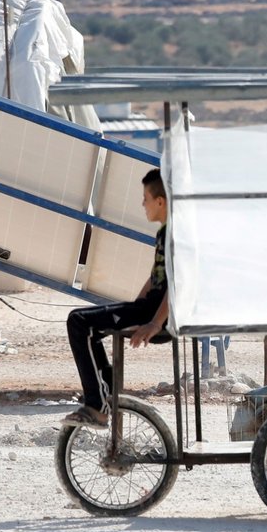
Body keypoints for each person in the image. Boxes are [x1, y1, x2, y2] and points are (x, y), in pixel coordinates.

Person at [61, 168, 170, 429]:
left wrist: (154, 323)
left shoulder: (175, 235)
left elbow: (178, 284)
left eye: (145, 197)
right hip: (149, 308)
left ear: (160, 202)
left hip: (158, 314)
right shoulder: (165, 233)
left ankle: (98, 406)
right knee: (87, 324)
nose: (142, 204)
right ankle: (106, 393)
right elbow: (156, 277)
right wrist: (133, 306)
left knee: (79, 322)